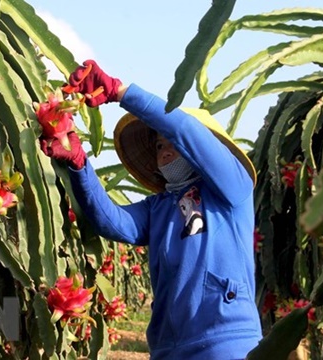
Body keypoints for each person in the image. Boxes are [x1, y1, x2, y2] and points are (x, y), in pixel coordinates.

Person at [40, 60, 262, 359]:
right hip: (167, 347)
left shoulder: (232, 189)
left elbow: (185, 130)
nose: (165, 150)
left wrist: (122, 92)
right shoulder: (158, 208)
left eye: (172, 143)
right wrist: (79, 165)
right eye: (158, 147)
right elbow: (111, 222)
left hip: (227, 340)